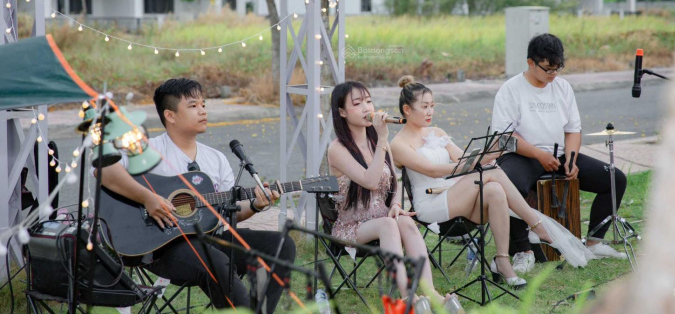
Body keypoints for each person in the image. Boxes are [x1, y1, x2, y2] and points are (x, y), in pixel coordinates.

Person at [98, 78, 296, 313]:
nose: (202, 111)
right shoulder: (147, 150)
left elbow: (228, 212)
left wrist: (255, 205)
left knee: (281, 246)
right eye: (193, 106)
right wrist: (147, 198)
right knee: (216, 261)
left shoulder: (216, 159)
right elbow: (104, 169)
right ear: (170, 115)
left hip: (212, 239)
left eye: (203, 105)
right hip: (161, 248)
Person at [391, 76, 594, 287]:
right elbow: (432, 170)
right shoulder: (398, 144)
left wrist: (486, 155)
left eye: (432, 106)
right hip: (430, 205)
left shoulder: (437, 132)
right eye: (424, 107)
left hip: (455, 196)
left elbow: (463, 158)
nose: (430, 111)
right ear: (407, 109)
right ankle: (536, 225)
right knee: (493, 174)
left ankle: (502, 261)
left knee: (495, 189)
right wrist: (477, 164)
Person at [491, 33, 627, 275]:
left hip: (558, 154)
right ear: (531, 63)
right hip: (522, 155)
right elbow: (504, 137)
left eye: (558, 68)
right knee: (507, 186)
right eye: (548, 69)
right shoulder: (511, 89)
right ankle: (523, 250)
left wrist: (572, 159)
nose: (553, 74)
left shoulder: (563, 87)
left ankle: (594, 242)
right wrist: (538, 155)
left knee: (614, 179)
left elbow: (573, 129)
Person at [328, 81, 462, 309]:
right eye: (357, 104)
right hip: (352, 225)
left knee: (405, 221)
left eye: (369, 101)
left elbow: (394, 181)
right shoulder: (337, 148)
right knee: (388, 225)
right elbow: (370, 181)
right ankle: (409, 297)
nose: (366, 108)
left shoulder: (377, 142)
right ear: (342, 112)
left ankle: (431, 293)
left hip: (382, 215)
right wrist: (382, 139)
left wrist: (397, 204)